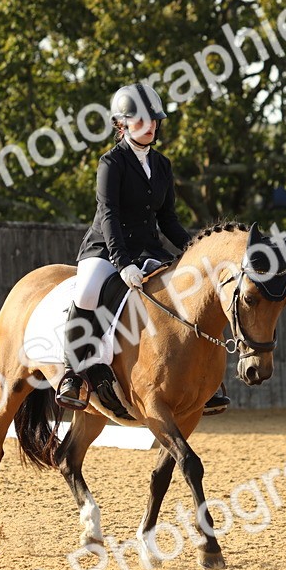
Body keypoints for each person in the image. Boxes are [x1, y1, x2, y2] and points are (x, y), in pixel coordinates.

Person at [56, 82, 230, 415]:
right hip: (107, 249)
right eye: (139, 121)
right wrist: (121, 264)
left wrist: (199, 252)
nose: (149, 127)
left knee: (186, 292)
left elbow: (169, 220)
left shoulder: (162, 164)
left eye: (153, 121)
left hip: (149, 250)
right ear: (121, 125)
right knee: (89, 292)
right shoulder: (112, 163)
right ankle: (73, 373)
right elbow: (109, 215)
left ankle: (201, 383)